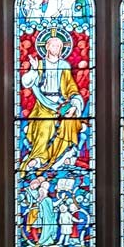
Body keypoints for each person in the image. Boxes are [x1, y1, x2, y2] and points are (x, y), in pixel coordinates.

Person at [20, 36, 84, 173]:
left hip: (62, 104)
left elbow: (71, 88)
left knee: (69, 121)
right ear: (47, 47)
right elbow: (26, 82)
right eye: (54, 46)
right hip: (43, 104)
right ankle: (39, 158)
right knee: (45, 125)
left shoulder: (64, 66)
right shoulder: (40, 64)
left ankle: (63, 156)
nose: (57, 49)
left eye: (59, 47)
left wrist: (74, 105)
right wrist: (34, 69)